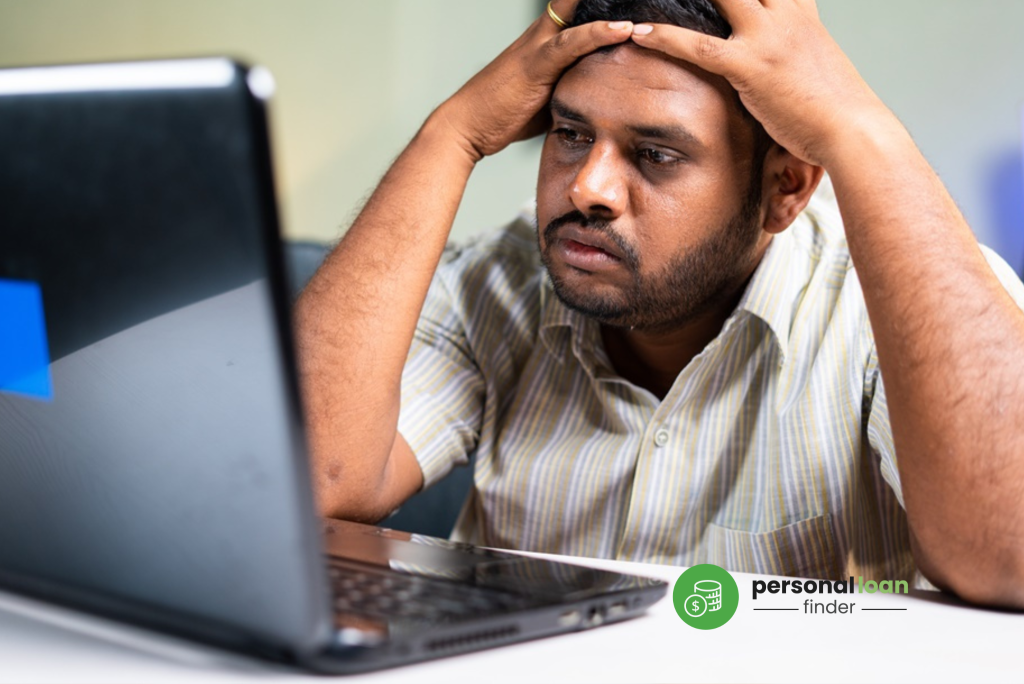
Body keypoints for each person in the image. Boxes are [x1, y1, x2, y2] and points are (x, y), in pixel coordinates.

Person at [295, 0, 1024, 608]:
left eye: (655, 154)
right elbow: (302, 483)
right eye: (572, 135)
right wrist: (451, 134)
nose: (590, 189)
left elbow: (1008, 554)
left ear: (786, 189)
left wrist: (860, 130)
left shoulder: (883, 309)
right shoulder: (502, 276)